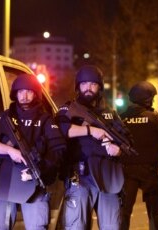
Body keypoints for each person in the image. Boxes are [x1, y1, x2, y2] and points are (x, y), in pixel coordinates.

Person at [0, 74, 66, 229]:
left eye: (29, 91)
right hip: (7, 179)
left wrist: (41, 168)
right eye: (20, 91)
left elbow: (58, 150)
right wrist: (10, 150)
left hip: (35, 179)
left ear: (36, 93)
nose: (24, 95)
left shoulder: (45, 119)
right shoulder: (6, 116)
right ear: (15, 93)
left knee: (37, 226)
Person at [56, 65, 129, 230]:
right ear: (78, 87)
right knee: (76, 225)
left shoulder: (110, 113)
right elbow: (60, 130)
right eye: (84, 84)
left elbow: (126, 140)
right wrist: (90, 130)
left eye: (93, 84)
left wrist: (119, 150)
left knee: (112, 226)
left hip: (107, 176)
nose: (88, 88)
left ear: (100, 87)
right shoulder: (69, 109)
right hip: (80, 176)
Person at [120, 81, 158, 230]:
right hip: (149, 172)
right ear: (147, 99)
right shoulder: (155, 118)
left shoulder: (121, 118)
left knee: (123, 212)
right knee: (155, 210)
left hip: (126, 171)